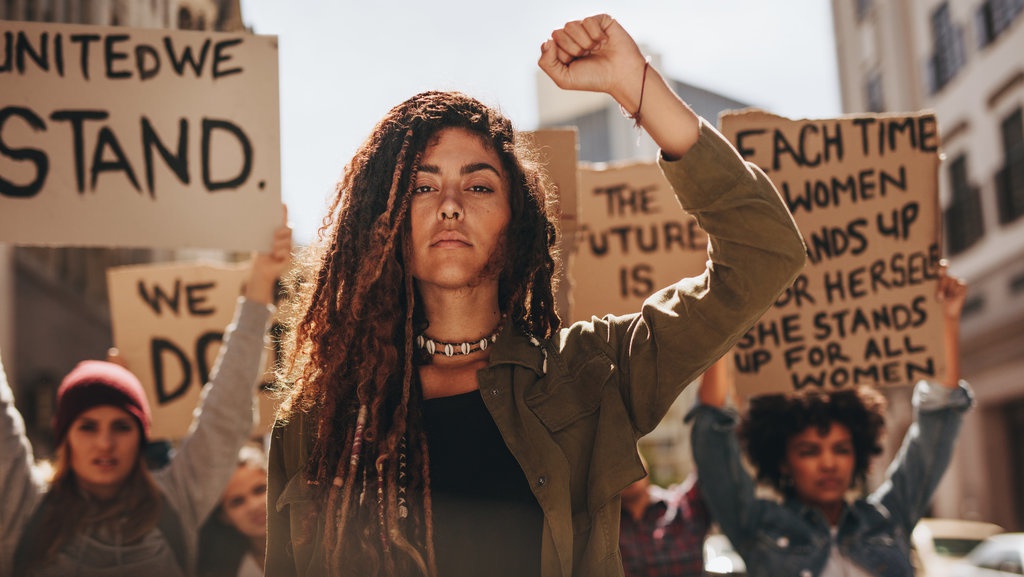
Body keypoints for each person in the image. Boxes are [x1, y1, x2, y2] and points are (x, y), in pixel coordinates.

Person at [266, 13, 805, 577]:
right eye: (422, 187)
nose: (450, 204)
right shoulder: (318, 419)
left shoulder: (592, 374)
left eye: (478, 185)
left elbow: (764, 253)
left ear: (516, 220)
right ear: (385, 223)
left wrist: (634, 84)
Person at [0, 219, 292, 577]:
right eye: (88, 427)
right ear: (64, 436)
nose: (105, 443)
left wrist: (260, 284)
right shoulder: (24, 505)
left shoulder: (175, 499)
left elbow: (225, 411)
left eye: (122, 426)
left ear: (142, 434)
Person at [689, 266, 973, 577]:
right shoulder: (757, 525)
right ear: (783, 461)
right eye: (809, 451)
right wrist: (721, 320)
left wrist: (946, 319)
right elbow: (711, 431)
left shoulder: (889, 516)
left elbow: (939, 419)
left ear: (858, 453)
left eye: (841, 449)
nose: (829, 463)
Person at [618, 454, 709, 577]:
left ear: (645, 465)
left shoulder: (684, 505)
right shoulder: (599, 530)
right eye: (617, 466)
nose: (626, 472)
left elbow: (710, 463)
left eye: (630, 459)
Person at [197, 443, 269, 577]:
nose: (253, 506)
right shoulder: (226, 569)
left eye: (259, 490)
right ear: (224, 517)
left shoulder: (317, 546)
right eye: (237, 501)